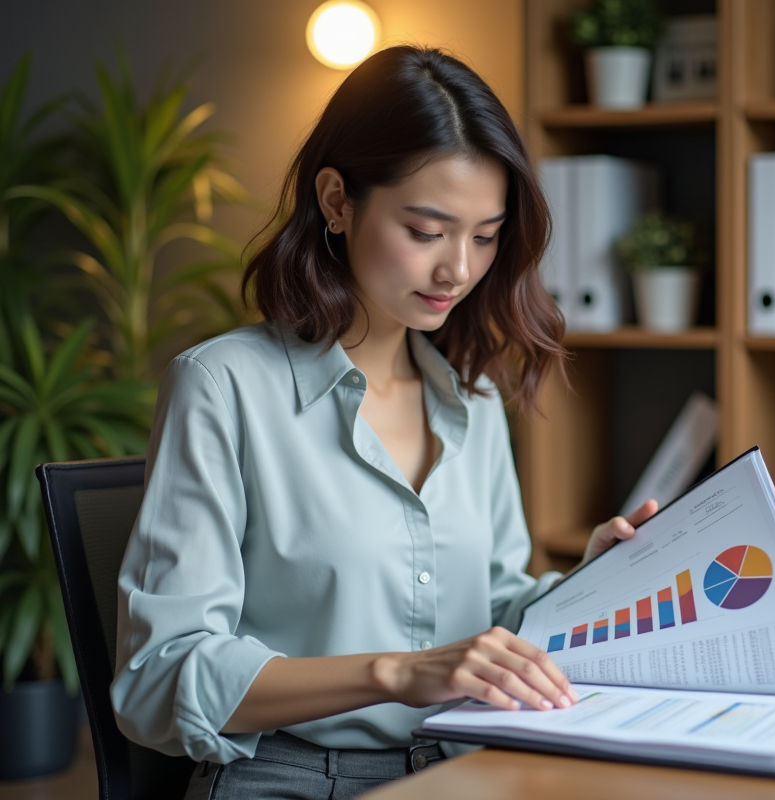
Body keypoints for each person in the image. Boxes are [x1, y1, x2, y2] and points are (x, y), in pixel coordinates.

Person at [111, 45, 657, 799]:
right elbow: (159, 679)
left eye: (486, 235)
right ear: (336, 201)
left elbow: (489, 611)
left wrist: (589, 585)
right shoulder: (222, 386)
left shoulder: (474, 399)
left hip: (467, 768)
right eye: (427, 231)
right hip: (291, 777)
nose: (458, 271)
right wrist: (397, 674)